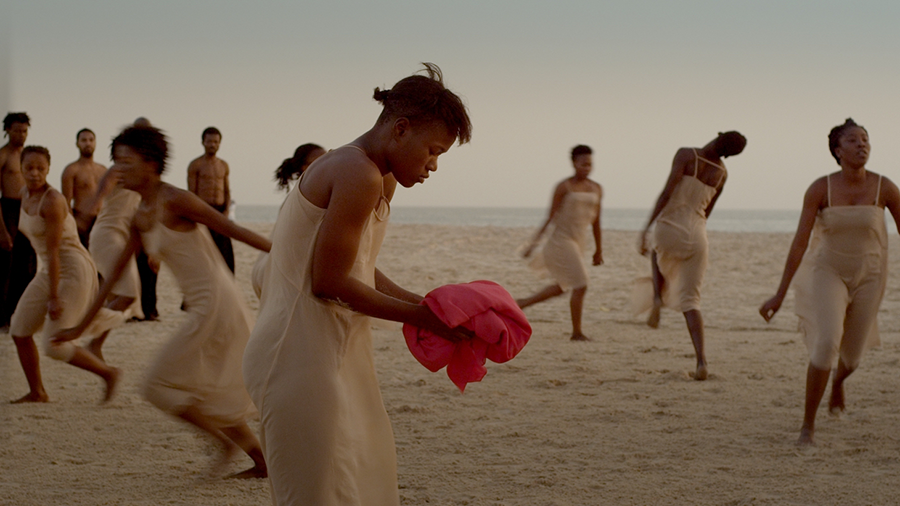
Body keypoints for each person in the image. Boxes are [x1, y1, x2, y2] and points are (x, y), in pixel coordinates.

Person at [242, 63, 472, 505]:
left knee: (358, 484)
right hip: (296, 356)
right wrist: (425, 319)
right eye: (433, 150)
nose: (434, 165)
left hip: (331, 351)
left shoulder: (378, 174)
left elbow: (359, 265)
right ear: (400, 129)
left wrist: (427, 305)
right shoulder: (357, 172)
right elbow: (329, 282)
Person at [53, 125, 271, 477]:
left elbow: (235, 231)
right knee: (200, 386)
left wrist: (291, 252)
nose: (118, 170)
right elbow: (110, 280)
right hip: (202, 306)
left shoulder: (176, 198)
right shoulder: (140, 214)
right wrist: (78, 327)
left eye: (126, 161)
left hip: (217, 303)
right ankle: (260, 461)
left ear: (151, 163)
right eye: (116, 162)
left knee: (156, 384)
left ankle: (226, 444)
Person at [759, 118, 900, 446]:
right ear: (837, 151)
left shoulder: (885, 187)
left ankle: (838, 383)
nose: (861, 145)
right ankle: (807, 425)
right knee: (826, 343)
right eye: (852, 140)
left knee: (852, 358)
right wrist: (779, 294)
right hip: (828, 273)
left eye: (865, 139)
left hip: (870, 276)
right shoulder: (820, 188)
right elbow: (799, 243)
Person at [9, 146, 121, 403]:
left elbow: (55, 250)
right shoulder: (23, 193)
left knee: (54, 344)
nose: (35, 173)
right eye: (29, 168)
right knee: (19, 329)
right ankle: (37, 392)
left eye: (40, 168)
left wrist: (54, 297)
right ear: (22, 169)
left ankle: (108, 373)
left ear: (48, 169)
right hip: (50, 269)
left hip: (73, 269)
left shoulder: (53, 201)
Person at [638, 131, 746, 380]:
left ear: (717, 135)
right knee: (692, 301)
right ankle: (701, 361)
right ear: (729, 154)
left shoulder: (687, 154)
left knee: (657, 251)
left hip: (669, 226)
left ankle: (657, 297)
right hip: (697, 235)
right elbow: (708, 211)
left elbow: (667, 193)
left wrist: (646, 227)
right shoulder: (723, 174)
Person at [516, 144, 603, 341]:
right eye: (583, 164)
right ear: (574, 163)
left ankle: (522, 303)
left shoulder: (597, 188)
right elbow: (550, 217)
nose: (587, 168)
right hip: (561, 240)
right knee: (581, 284)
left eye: (590, 164)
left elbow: (597, 221)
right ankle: (577, 332)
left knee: (562, 286)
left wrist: (599, 250)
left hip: (579, 240)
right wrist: (533, 243)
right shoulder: (564, 187)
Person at [251, 143, 326, 297]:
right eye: (320, 160)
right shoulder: (307, 197)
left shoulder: (303, 193)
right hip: (280, 269)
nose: (327, 164)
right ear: (304, 167)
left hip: (276, 265)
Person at [0, 112, 37, 328]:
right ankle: (3, 318)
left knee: (28, 265)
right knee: (5, 266)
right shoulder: (4, 155)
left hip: (28, 209)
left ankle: (20, 314)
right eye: (17, 130)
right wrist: (2, 230)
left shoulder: (29, 156)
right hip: (8, 209)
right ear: (7, 130)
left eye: (24, 131)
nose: (21, 135)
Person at [187, 126, 233, 273]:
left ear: (219, 143)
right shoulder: (196, 165)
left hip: (220, 213)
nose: (213, 144)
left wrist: (226, 211)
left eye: (215, 142)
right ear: (203, 142)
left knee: (226, 257)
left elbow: (226, 190)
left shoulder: (223, 165)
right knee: (203, 255)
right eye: (209, 141)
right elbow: (192, 193)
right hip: (203, 211)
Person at [61, 128, 107, 248]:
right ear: (77, 143)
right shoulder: (72, 170)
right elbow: (66, 201)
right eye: (84, 140)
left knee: (102, 262)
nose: (88, 143)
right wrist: (73, 225)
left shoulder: (103, 170)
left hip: (102, 221)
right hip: (81, 222)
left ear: (95, 143)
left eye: (91, 140)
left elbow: (110, 198)